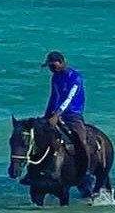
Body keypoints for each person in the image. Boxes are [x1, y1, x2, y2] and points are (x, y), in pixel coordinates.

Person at [41, 50, 97, 194]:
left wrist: (58, 113)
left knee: (81, 139)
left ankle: (87, 172)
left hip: (73, 115)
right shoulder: (55, 78)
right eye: (50, 67)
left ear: (62, 62)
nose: (51, 69)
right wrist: (47, 116)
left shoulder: (75, 77)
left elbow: (69, 98)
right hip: (56, 114)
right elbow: (53, 97)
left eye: (53, 66)